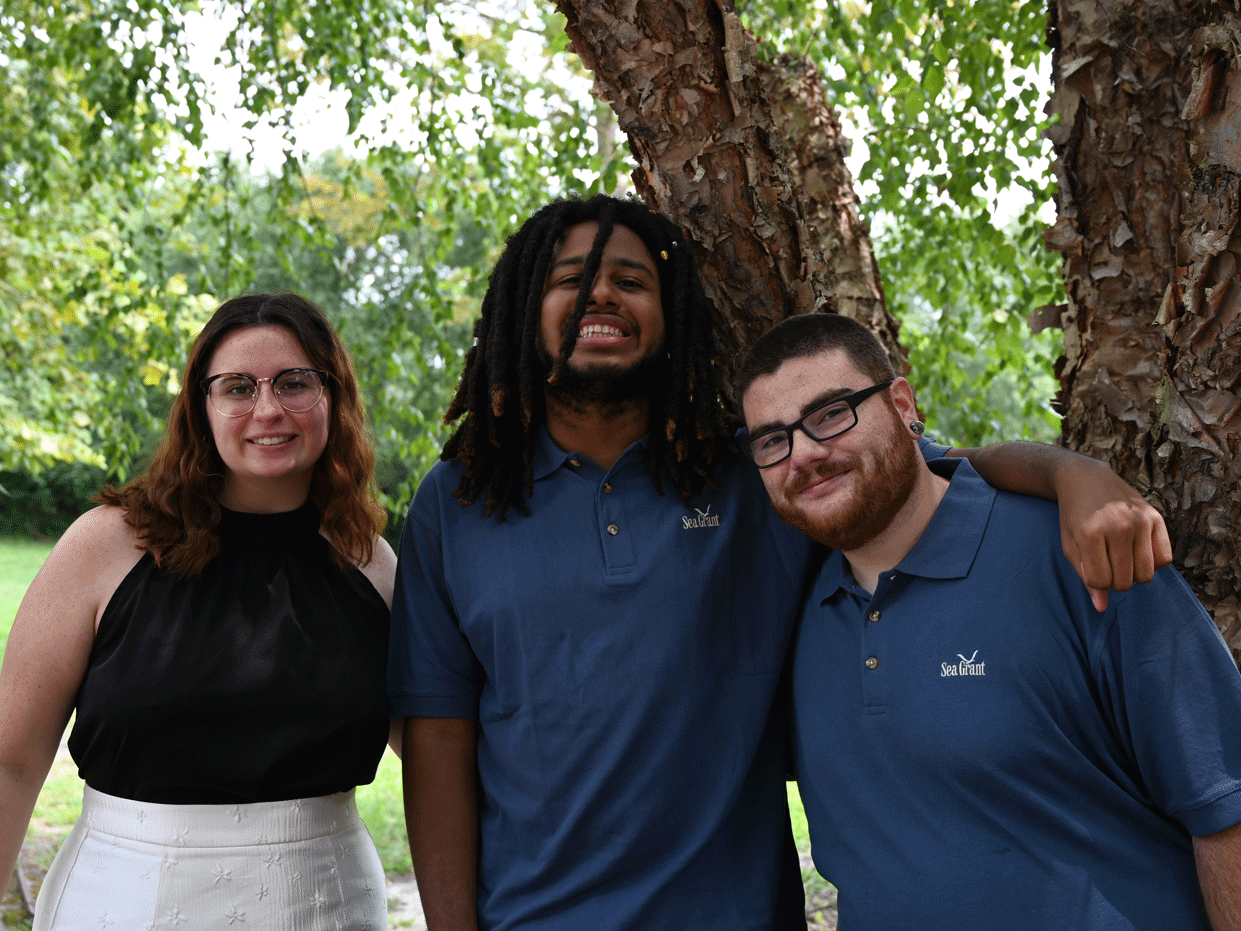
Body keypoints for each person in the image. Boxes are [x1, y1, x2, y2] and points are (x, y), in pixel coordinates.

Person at [388, 193, 1172, 931]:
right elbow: (438, 738)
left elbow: (925, 473)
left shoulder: (762, 474)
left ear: (672, 316)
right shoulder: (457, 502)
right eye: (570, 280)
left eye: (631, 281)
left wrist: (1075, 474)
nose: (601, 296)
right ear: (523, 308)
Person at [736, 312, 1241, 930]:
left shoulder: (1084, 556)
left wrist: (1070, 472)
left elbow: (1226, 807)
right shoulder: (789, 608)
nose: (805, 455)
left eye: (831, 414)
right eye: (771, 440)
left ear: (901, 404)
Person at [0, 293, 398, 929]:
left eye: (295, 382)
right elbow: (10, 762)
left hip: (326, 906)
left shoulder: (370, 563)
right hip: (126, 904)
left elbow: (441, 753)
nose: (268, 408)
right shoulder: (107, 544)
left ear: (335, 397)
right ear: (200, 406)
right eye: (238, 386)